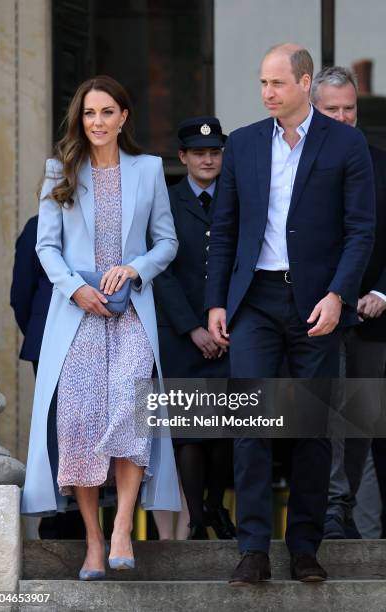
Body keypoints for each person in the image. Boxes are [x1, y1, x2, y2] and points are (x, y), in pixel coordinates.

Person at [206, 44, 375, 584]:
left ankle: (305, 547)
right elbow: (225, 231)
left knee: (311, 426)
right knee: (249, 422)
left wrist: (339, 294)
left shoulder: (347, 145)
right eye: (262, 83)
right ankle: (252, 549)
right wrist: (216, 301)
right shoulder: (246, 143)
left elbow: (360, 230)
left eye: (277, 83)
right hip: (254, 301)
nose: (267, 93)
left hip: (317, 304)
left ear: (304, 83)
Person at [21, 75, 181, 580]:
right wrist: (74, 289)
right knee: (78, 424)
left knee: (133, 411)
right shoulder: (60, 170)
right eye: (89, 113)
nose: (97, 122)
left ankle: (122, 528)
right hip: (78, 318)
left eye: (107, 112)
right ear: (80, 118)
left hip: (132, 314)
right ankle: (93, 539)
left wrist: (135, 269)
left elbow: (167, 242)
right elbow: (46, 247)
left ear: (124, 117)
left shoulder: (150, 169)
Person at [311, 66, 386, 539]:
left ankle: (341, 512)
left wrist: (381, 291)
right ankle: (323, 510)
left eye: (349, 108)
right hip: (311, 315)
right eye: (331, 109)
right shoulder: (295, 165)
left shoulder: (383, 165)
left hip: (371, 320)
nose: (342, 117)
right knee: (312, 415)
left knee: (358, 417)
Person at [154, 117, 235, 540]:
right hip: (180, 334)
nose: (208, 159)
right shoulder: (164, 201)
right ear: (183, 156)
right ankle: (197, 518)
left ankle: (215, 506)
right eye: (199, 152)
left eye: (215, 151)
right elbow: (160, 273)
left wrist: (225, 325)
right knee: (188, 432)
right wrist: (193, 328)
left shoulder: (240, 198)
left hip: (230, 331)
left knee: (228, 428)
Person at [10, 215, 53, 375]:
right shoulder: (37, 225)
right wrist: (37, 331)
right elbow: (21, 296)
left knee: (136, 398)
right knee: (54, 401)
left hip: (119, 341)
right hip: (48, 342)